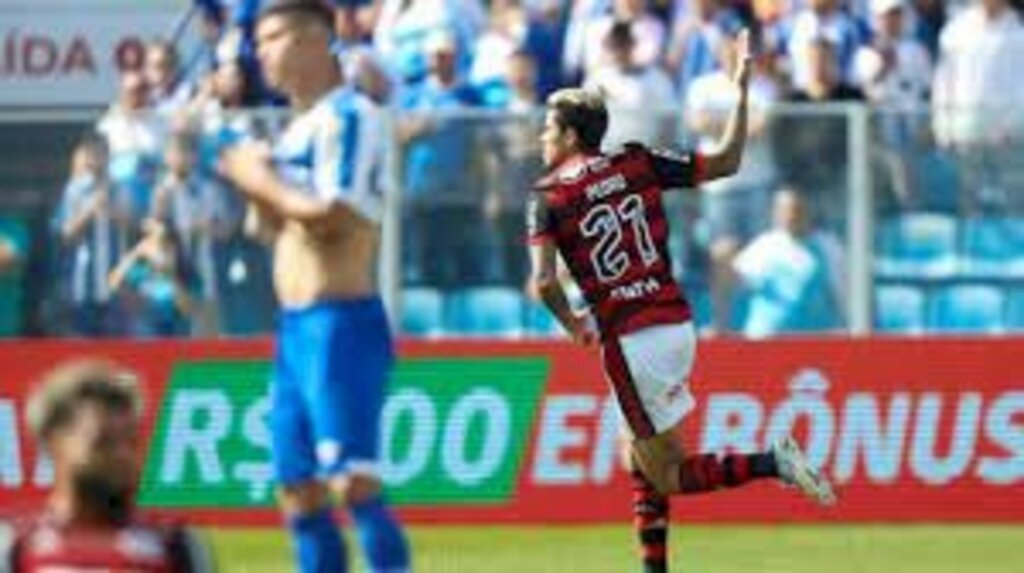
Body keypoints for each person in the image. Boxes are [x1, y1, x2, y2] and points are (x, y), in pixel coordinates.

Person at [525, 30, 836, 573]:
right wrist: (742, 93)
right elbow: (727, 162)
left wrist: (574, 325)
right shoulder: (637, 160)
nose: (541, 138)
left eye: (548, 128)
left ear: (571, 136)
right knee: (636, 454)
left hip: (628, 339)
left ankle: (773, 462)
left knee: (667, 472)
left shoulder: (549, 197)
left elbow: (543, 284)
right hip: (676, 324)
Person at [219, 2, 410, 572]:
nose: (261, 53)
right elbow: (269, 227)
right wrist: (255, 184)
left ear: (313, 40)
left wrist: (260, 179)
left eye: (272, 37)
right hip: (297, 327)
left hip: (341, 320)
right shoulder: (297, 128)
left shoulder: (352, 117)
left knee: (352, 480)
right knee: (296, 489)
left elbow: (334, 216)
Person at [0, 359, 213, 571]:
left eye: (130, 442)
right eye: (103, 442)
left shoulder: (175, 542)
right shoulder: (16, 542)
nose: (121, 455)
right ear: (52, 441)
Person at [732, 188, 847, 338]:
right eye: (785, 210)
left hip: (816, 342)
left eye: (797, 210)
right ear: (775, 214)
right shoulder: (763, 247)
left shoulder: (827, 246)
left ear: (807, 212)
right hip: (767, 342)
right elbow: (737, 284)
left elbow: (842, 293)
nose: (791, 216)